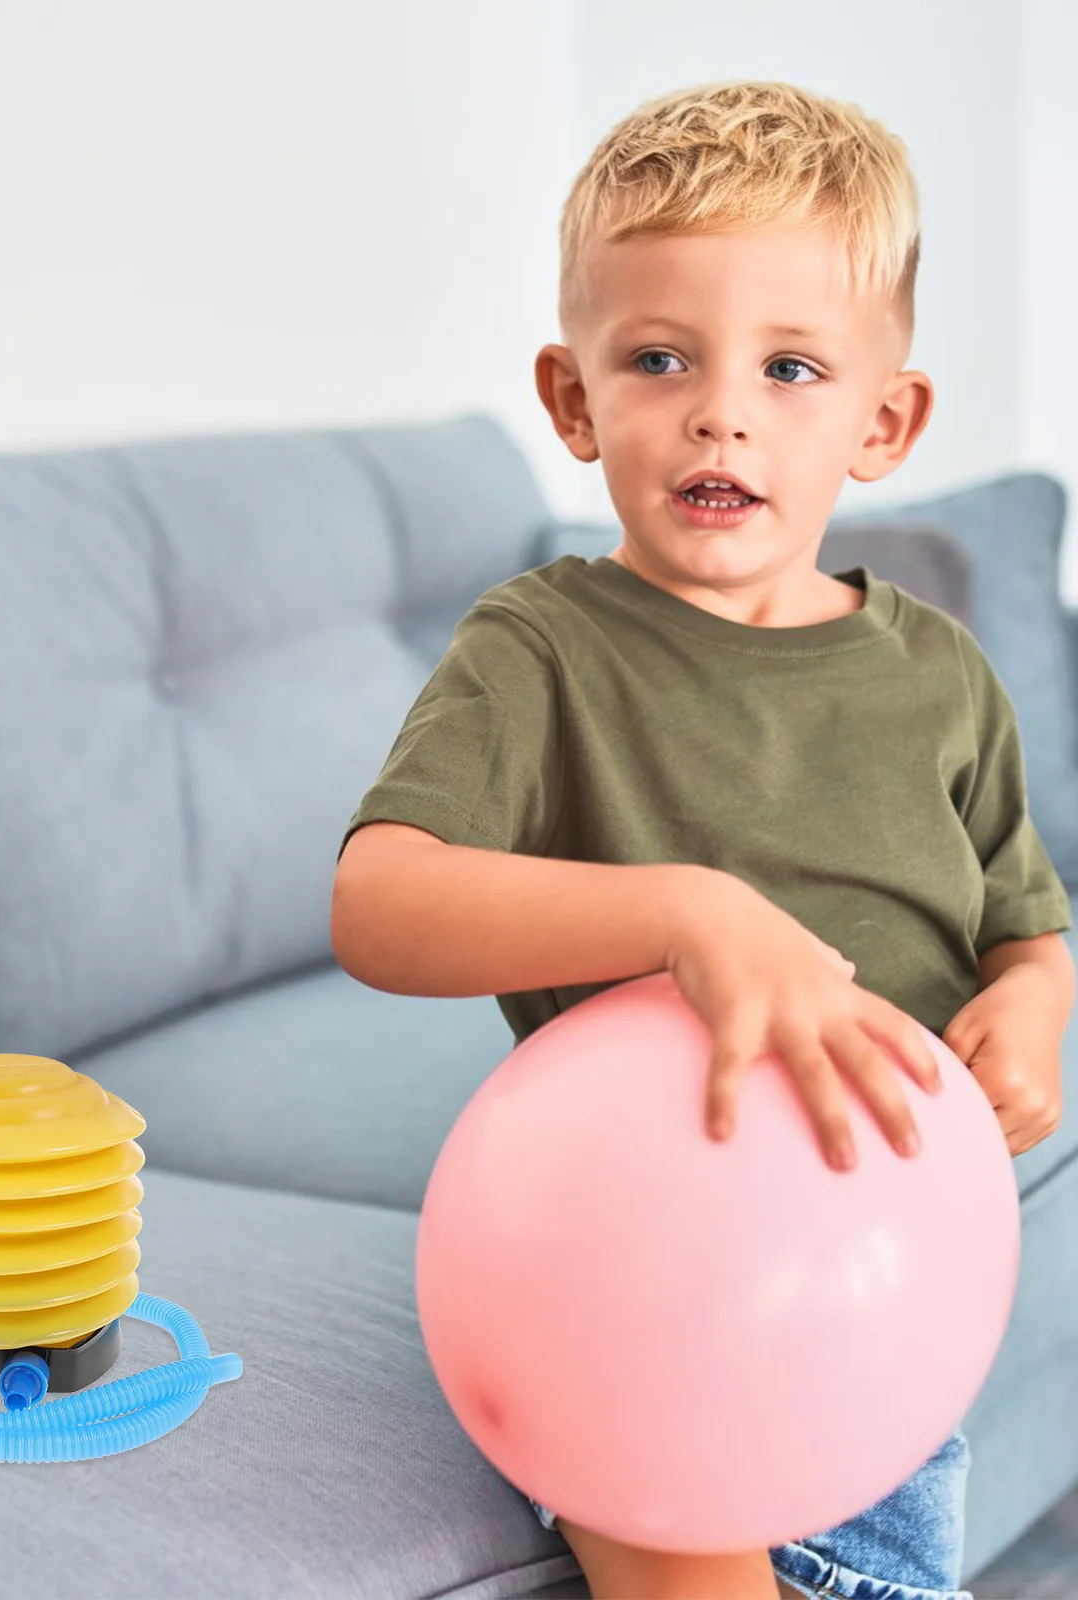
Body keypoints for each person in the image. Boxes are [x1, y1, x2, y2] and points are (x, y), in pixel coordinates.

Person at [330, 79, 1075, 1600]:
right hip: (627, 1303)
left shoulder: (940, 674)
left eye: (791, 367)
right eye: (659, 357)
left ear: (887, 420)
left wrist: (1035, 1005)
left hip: (881, 1317)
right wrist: (686, 913)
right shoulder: (539, 649)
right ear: (572, 399)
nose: (721, 410)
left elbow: (1025, 914)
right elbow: (379, 904)